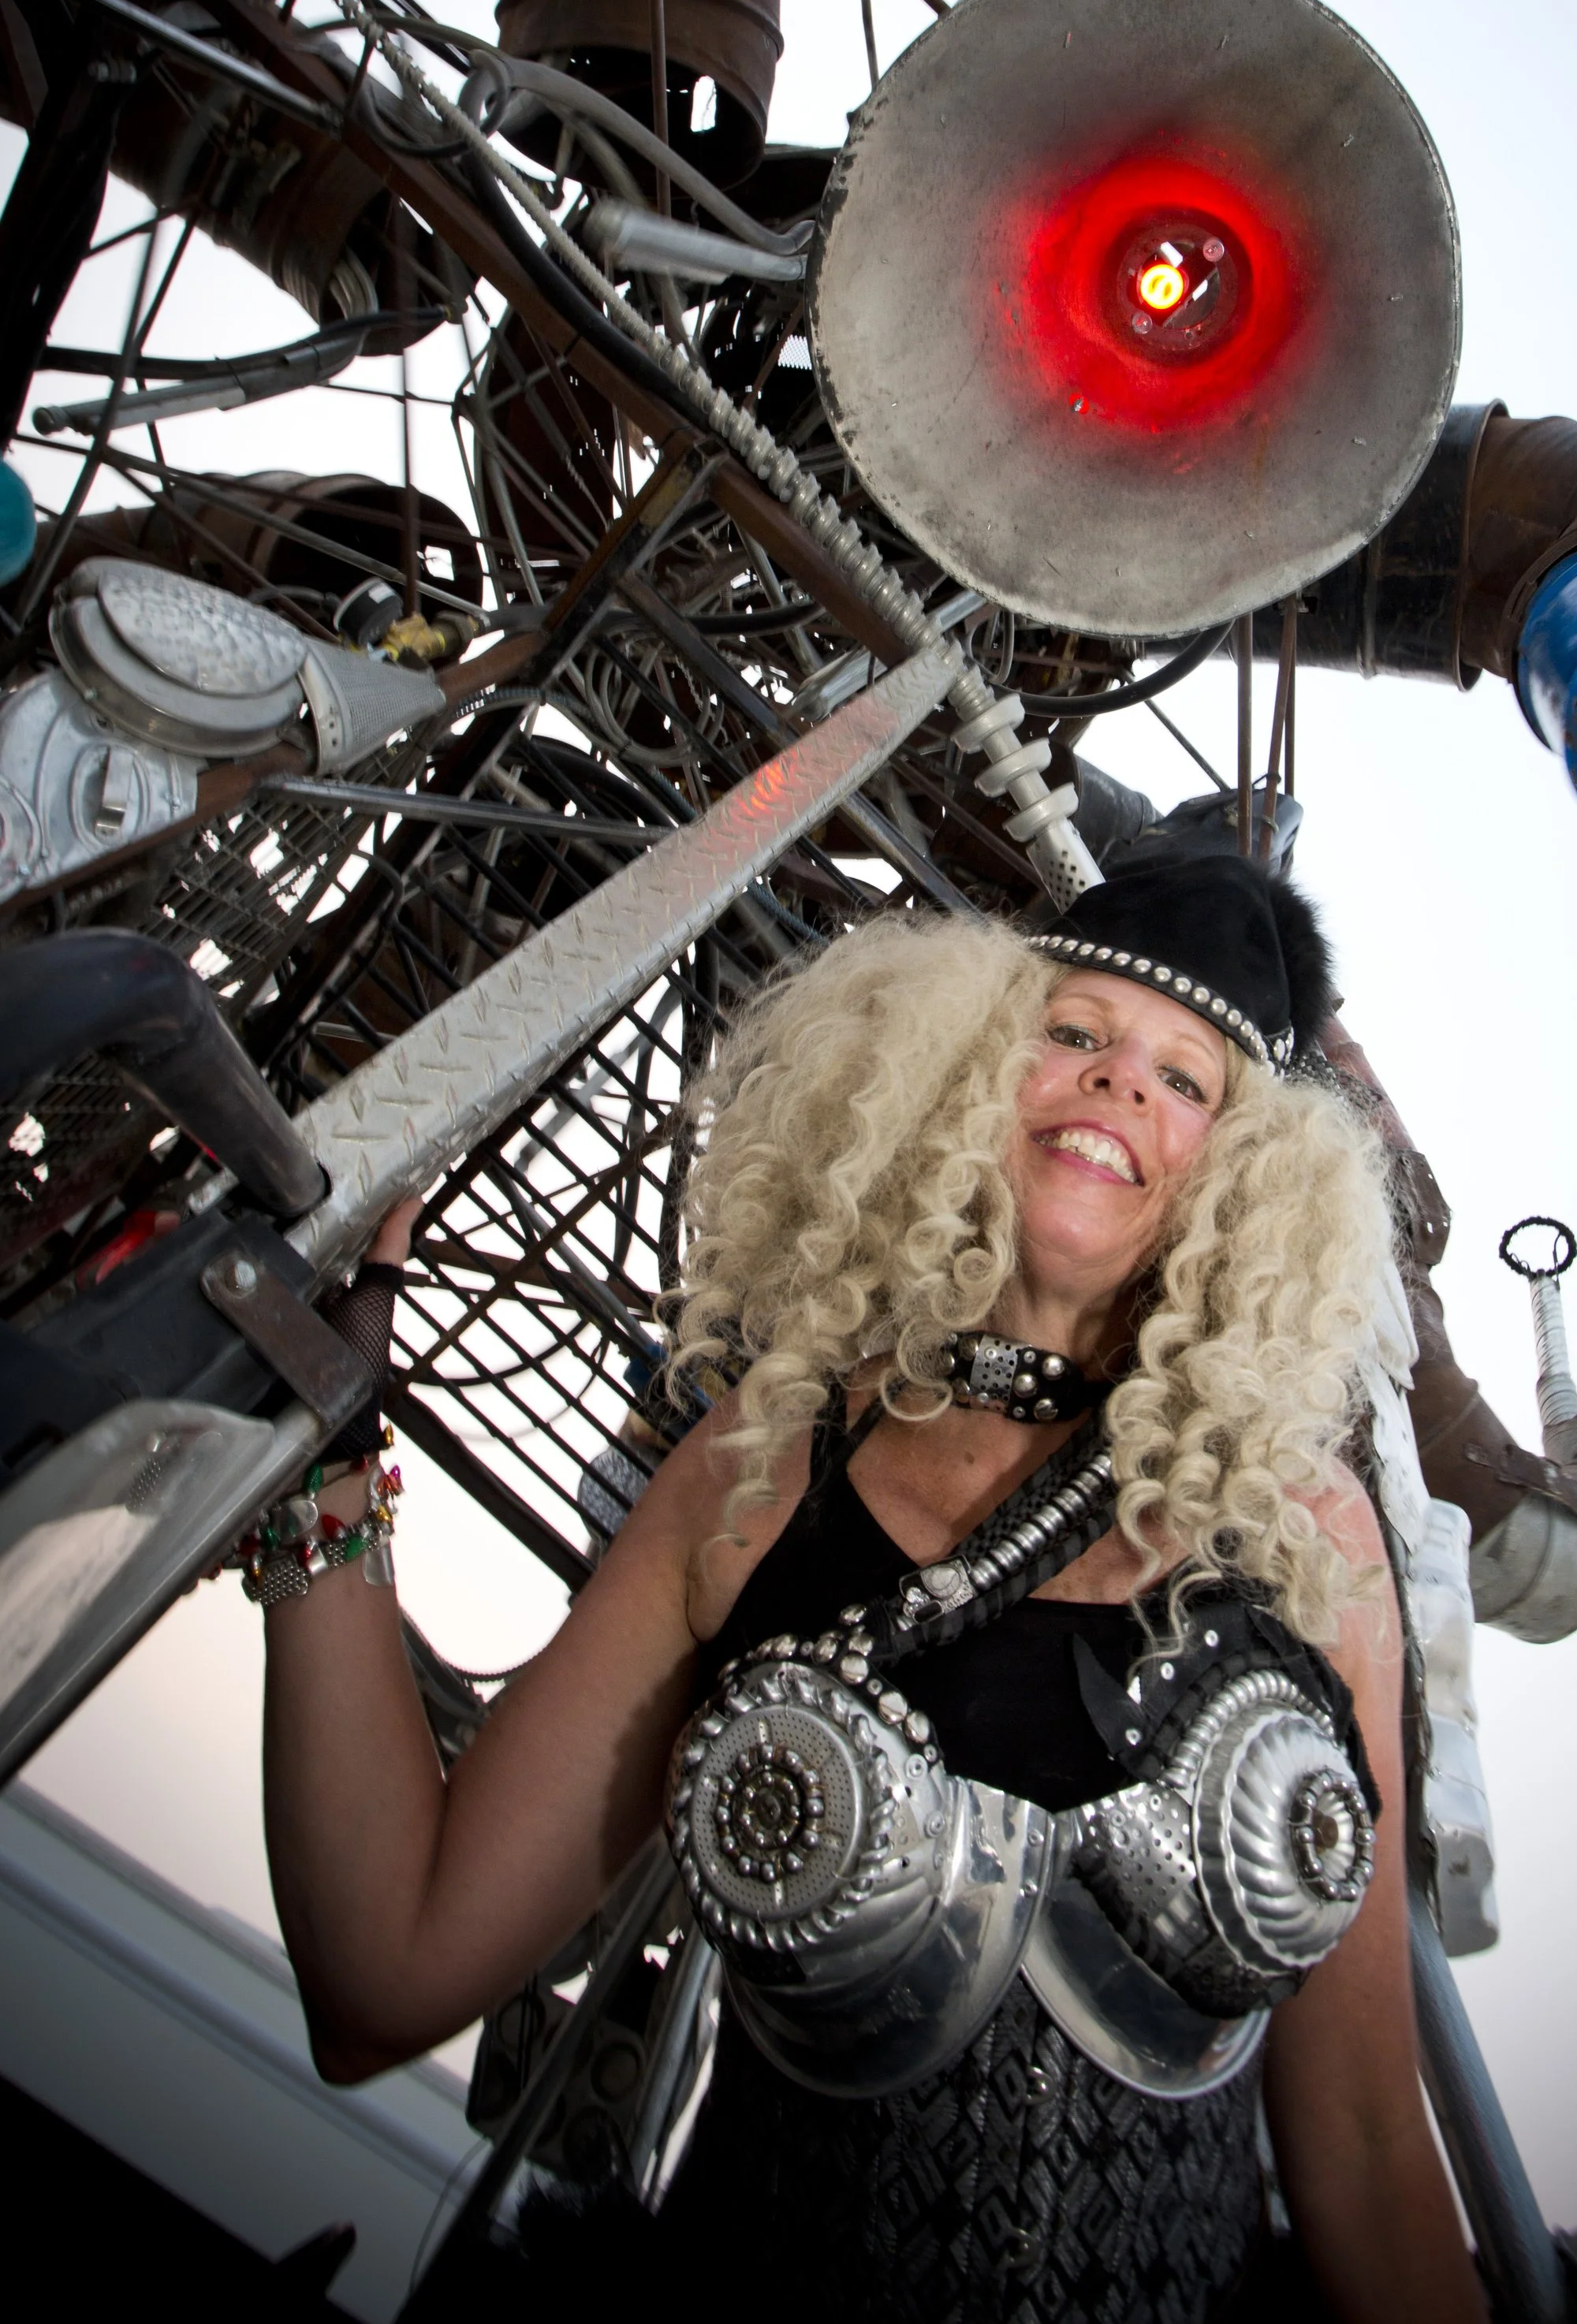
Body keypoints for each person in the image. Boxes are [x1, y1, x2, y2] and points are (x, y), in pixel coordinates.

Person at [255, 849, 1485, 2323]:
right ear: (963, 1057)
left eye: (1186, 1079)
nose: (1118, 1088)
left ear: (1243, 1182)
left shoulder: (1312, 1545)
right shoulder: (765, 1463)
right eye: (1076, 1033)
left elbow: (1359, 2149)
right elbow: (386, 1965)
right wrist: (321, 1443)